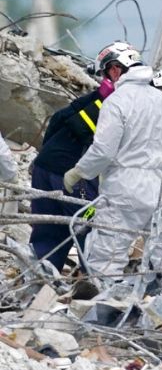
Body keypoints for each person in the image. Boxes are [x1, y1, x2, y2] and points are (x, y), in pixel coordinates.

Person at [63, 63, 162, 290]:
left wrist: (79, 172)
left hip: (126, 185)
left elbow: (103, 151)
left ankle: (102, 308)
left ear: (115, 74)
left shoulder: (119, 100)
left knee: (108, 255)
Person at [29, 41, 140, 272]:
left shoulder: (97, 100)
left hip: (45, 169)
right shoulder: (117, 103)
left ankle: (40, 281)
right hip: (72, 177)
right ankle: (93, 282)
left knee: (49, 230)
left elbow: (59, 121)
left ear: (114, 70)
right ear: (116, 70)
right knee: (91, 225)